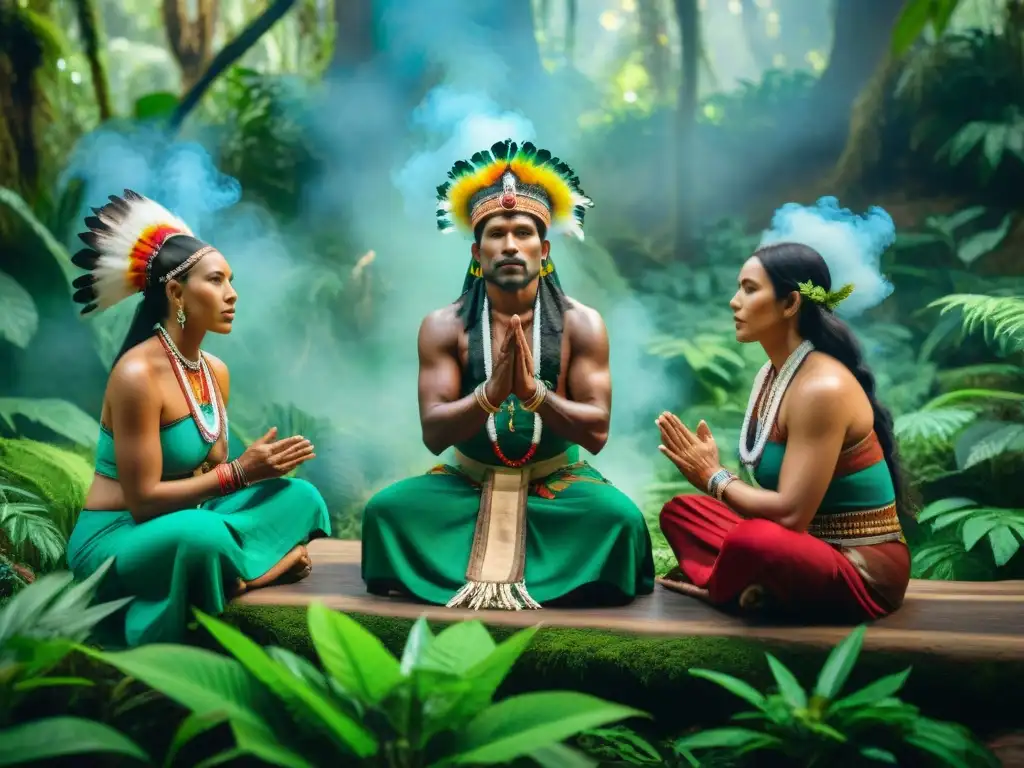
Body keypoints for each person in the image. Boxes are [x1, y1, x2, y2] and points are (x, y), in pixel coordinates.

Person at [361, 139, 655, 609]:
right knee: (385, 513)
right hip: (468, 484)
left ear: (545, 247)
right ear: (478, 252)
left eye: (523, 232)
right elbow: (434, 434)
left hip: (555, 488)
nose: (511, 245)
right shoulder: (445, 325)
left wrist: (536, 395)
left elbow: (597, 431)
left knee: (618, 519)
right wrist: (490, 395)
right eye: (497, 234)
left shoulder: (582, 323)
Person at [65, 189, 331, 647]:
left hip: (190, 515)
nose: (232, 294)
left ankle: (239, 572)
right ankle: (262, 568)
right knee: (201, 536)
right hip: (119, 536)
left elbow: (210, 475)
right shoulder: (136, 375)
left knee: (301, 496)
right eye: (216, 281)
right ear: (175, 292)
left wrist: (252, 472)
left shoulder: (214, 372)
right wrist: (239, 473)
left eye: (231, 280)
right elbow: (144, 500)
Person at [657, 201, 911, 623]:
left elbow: (792, 515)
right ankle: (752, 585)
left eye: (749, 289)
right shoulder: (772, 375)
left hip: (859, 569)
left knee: (753, 542)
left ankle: (723, 588)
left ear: (790, 303)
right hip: (800, 545)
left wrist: (714, 476)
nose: (734, 302)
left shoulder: (821, 388)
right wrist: (711, 482)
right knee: (682, 512)